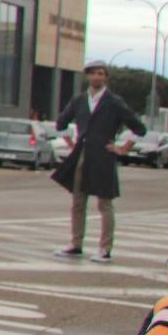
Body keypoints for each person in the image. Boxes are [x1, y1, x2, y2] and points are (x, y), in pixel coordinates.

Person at [52, 59, 148, 263]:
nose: (97, 77)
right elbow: (60, 123)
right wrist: (72, 144)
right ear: (88, 76)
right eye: (93, 73)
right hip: (82, 156)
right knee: (78, 202)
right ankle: (76, 244)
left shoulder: (114, 101)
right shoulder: (79, 100)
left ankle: (105, 248)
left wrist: (122, 148)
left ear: (106, 77)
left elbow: (139, 128)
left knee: (105, 203)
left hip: (103, 157)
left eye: (101, 73)